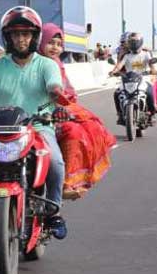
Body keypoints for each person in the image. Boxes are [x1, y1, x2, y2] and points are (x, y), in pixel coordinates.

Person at [0, 6, 68, 238]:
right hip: (1, 129)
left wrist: (60, 98)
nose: (21, 39)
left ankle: (53, 213)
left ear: (34, 36)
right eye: (16, 34)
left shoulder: (46, 65)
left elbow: (53, 86)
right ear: (8, 37)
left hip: (38, 128)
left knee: (56, 163)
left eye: (26, 34)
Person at [38, 23, 117, 199]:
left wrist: (63, 101)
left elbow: (67, 91)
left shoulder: (57, 64)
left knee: (87, 129)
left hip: (54, 113)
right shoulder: (31, 62)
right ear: (40, 42)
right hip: (32, 116)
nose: (55, 48)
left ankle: (69, 182)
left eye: (59, 44)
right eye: (50, 42)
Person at [109, 32, 157, 123]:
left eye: (132, 42)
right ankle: (120, 114)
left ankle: (152, 112)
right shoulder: (125, 54)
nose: (125, 44)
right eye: (126, 42)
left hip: (144, 77)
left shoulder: (145, 53)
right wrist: (113, 72)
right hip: (128, 78)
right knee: (117, 93)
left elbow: (152, 66)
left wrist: (153, 71)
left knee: (152, 90)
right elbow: (119, 65)